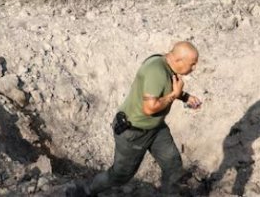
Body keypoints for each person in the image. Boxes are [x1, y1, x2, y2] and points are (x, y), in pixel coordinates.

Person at [79, 41, 203, 196]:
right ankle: (85, 190)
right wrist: (174, 95)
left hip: (156, 128)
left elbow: (164, 89)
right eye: (192, 64)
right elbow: (149, 108)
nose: (194, 68)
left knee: (173, 165)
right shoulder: (156, 71)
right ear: (178, 60)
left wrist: (185, 97)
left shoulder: (167, 64)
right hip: (134, 131)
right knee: (120, 175)